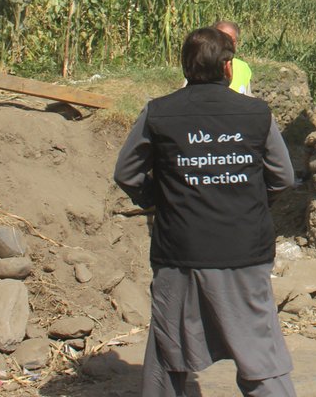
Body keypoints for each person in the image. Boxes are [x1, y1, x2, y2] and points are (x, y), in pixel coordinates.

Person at [114, 26, 296, 397]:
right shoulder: (257, 114)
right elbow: (283, 178)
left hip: (180, 251)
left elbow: (127, 174)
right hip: (245, 250)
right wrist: (252, 205)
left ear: (184, 66)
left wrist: (158, 200)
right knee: (259, 353)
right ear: (228, 68)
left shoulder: (158, 112)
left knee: (169, 351)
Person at [214, 19, 253, 95]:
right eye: (222, 40)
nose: (227, 45)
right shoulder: (202, 66)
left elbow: (248, 97)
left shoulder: (243, 68)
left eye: (231, 41)